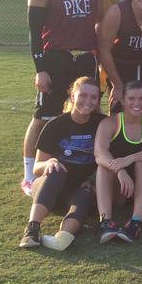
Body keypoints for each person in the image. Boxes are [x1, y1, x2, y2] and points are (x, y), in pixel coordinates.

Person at [21, 0, 99, 196]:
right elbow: (34, 34)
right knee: (43, 117)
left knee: (88, 114)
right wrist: (40, 69)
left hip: (86, 58)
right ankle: (29, 175)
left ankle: (81, 168)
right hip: (57, 58)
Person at [19, 76, 106, 250]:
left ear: (98, 100)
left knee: (86, 192)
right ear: (72, 96)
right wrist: (49, 162)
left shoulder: (102, 124)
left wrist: (93, 179)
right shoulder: (55, 125)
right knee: (56, 170)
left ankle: (63, 238)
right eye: (82, 95)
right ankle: (32, 229)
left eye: (93, 97)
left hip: (78, 189)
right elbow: (37, 168)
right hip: (50, 187)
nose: (87, 101)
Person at [93, 81, 142, 243]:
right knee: (103, 166)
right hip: (121, 188)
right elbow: (99, 152)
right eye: (131, 99)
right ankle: (105, 222)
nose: (137, 103)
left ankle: (136, 221)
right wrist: (120, 170)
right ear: (123, 100)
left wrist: (129, 159)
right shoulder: (110, 123)